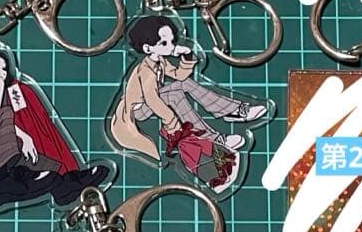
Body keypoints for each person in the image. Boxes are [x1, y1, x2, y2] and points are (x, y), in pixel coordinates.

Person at [109, 15, 268, 193]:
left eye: (172, 41)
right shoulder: (146, 71)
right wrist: (172, 123)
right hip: (135, 111)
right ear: (147, 48)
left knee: (183, 85)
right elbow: (153, 100)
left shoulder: (159, 60)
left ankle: (230, 115)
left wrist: (186, 55)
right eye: (164, 43)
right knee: (175, 95)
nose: (171, 46)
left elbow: (179, 75)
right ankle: (220, 129)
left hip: (148, 103)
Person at [0, 46, 109, 208]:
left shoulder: (3, 92)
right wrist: (0, 86)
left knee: (20, 126)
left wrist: (24, 137)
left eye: (2, 68)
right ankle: (0, 180)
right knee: (8, 116)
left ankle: (63, 182)